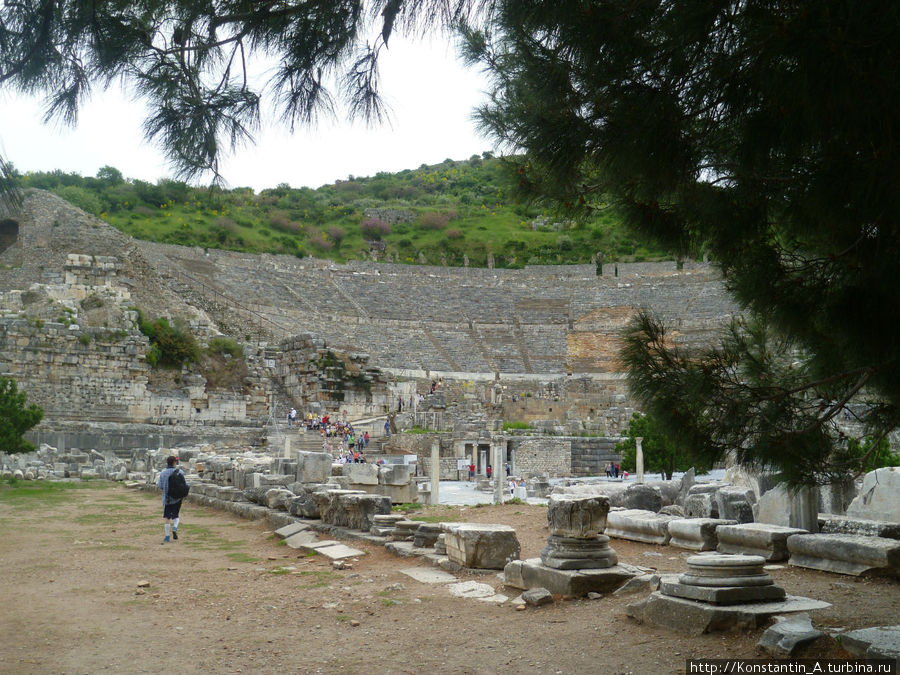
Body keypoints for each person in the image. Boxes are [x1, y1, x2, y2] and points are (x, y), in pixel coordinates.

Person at [157, 455, 186, 544]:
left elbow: (160, 486)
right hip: (177, 498)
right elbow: (183, 484)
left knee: (167, 517)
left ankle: (167, 536)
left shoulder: (163, 473)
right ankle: (175, 527)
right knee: (176, 516)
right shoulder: (180, 472)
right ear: (174, 462)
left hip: (167, 499)